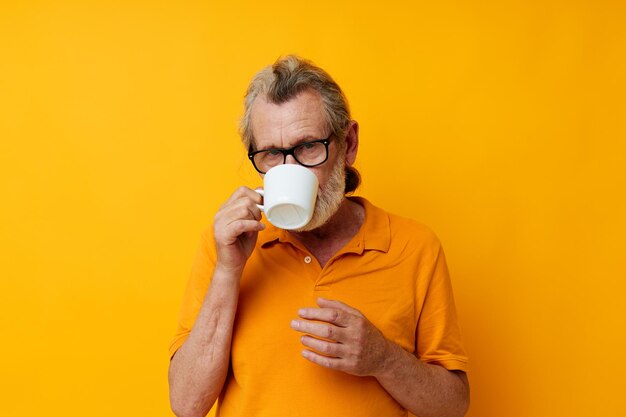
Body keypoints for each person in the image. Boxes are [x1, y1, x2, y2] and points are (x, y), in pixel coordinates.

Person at [168, 55, 470, 417]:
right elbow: (186, 405)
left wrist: (383, 358)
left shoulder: (415, 247)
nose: (289, 169)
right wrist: (228, 271)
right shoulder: (227, 246)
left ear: (348, 145)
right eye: (271, 154)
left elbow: (452, 406)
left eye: (308, 147)